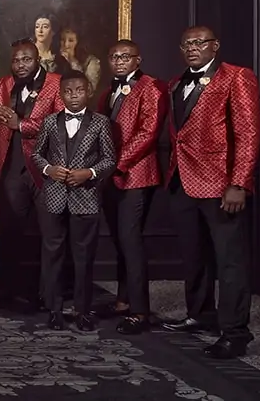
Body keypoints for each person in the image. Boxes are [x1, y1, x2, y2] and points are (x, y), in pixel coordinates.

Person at [161, 26, 260, 359]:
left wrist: (238, 183)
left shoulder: (237, 77)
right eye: (187, 43)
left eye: (199, 42)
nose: (193, 48)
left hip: (221, 185)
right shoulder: (176, 83)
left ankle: (235, 333)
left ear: (215, 46)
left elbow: (247, 134)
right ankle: (201, 315)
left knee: (230, 262)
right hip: (182, 182)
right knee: (194, 256)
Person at [0, 39, 63, 308]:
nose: (21, 65)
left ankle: (50, 296)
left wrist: (21, 124)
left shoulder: (56, 83)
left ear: (37, 60)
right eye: (16, 60)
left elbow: (62, 123)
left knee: (52, 236)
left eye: (26, 60)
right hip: (11, 171)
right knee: (10, 234)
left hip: (46, 170)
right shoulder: (6, 84)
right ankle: (10, 292)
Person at [32, 70, 116, 332]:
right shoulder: (49, 122)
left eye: (79, 90)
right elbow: (36, 155)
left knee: (83, 258)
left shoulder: (101, 123)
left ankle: (82, 311)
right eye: (68, 91)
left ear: (88, 91)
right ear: (61, 94)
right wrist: (48, 170)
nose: (74, 96)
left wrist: (89, 173)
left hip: (86, 198)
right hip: (53, 198)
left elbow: (110, 160)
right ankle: (55, 310)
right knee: (53, 255)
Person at [96, 40, 167, 334]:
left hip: (137, 175)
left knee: (131, 241)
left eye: (125, 56)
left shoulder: (151, 86)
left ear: (138, 59)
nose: (119, 60)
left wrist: (116, 163)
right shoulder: (107, 92)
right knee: (119, 240)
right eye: (113, 56)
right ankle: (124, 301)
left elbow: (148, 133)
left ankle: (141, 311)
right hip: (110, 176)